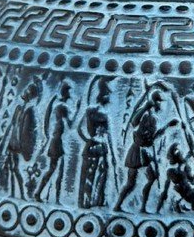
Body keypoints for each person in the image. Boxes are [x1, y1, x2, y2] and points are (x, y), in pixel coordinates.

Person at [115, 90, 176, 212]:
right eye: (159, 102)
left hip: (144, 152)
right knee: (130, 183)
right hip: (136, 151)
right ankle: (117, 205)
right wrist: (145, 107)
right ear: (154, 102)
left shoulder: (153, 119)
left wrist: (167, 126)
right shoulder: (144, 114)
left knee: (152, 178)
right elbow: (133, 122)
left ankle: (143, 207)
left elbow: (154, 137)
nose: (161, 105)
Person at [0, 79, 41, 198]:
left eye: (28, 91)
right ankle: (14, 192)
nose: (25, 92)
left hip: (19, 143)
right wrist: (6, 140)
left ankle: (20, 193)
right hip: (13, 141)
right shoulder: (19, 108)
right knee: (12, 168)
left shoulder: (30, 111)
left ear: (31, 95)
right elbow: (13, 125)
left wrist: (24, 146)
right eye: (26, 90)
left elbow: (29, 131)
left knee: (15, 168)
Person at [77, 78, 113, 208]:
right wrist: (90, 140)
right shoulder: (93, 111)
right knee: (91, 175)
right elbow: (80, 129)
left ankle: (96, 201)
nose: (109, 96)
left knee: (100, 173)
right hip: (94, 147)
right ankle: (88, 202)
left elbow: (107, 134)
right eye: (107, 94)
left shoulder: (98, 112)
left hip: (100, 147)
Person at [36, 82, 74, 203]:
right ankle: (40, 193)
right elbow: (71, 124)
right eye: (69, 92)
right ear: (65, 93)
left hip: (57, 142)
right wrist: (78, 108)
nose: (70, 95)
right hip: (56, 143)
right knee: (53, 169)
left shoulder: (58, 107)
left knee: (56, 169)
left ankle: (51, 195)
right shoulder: (62, 108)